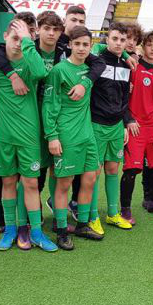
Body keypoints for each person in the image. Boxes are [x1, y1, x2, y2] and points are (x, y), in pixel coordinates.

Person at [0, 19, 54, 252]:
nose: (18, 43)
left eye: (22, 39)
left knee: (30, 183)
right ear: (5, 36)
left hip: (28, 134)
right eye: (14, 38)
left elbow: (40, 72)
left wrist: (28, 40)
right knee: (7, 181)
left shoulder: (30, 61)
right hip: (2, 133)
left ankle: (36, 232)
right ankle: (9, 230)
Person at [44, 25, 104, 249]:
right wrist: (52, 136)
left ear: (91, 47)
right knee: (64, 183)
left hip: (87, 134)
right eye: (77, 44)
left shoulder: (90, 68)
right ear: (69, 45)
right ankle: (61, 230)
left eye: (85, 45)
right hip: (66, 135)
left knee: (90, 177)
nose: (81, 48)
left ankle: (83, 224)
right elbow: (49, 106)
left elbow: (104, 61)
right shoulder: (59, 70)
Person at [121, 31, 153, 220]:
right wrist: (129, 120)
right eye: (149, 44)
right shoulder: (132, 68)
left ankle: (152, 202)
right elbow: (122, 98)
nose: (152, 49)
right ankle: (125, 209)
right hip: (135, 127)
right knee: (131, 169)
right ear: (142, 47)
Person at [86, 22, 132, 232]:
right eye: (115, 39)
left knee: (113, 168)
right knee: (94, 172)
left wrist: (124, 123)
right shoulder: (96, 61)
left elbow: (124, 97)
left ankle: (113, 214)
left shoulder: (126, 65)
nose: (119, 43)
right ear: (107, 39)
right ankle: (92, 216)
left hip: (116, 126)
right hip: (96, 124)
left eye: (123, 40)